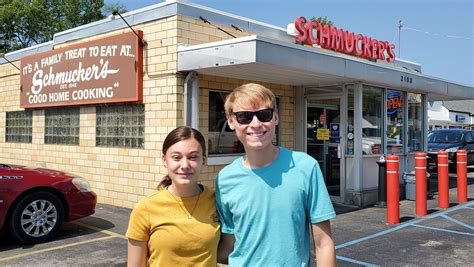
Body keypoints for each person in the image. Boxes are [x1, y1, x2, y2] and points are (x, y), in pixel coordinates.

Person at [216, 83, 336, 266]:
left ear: (276, 117)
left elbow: (324, 244)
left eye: (264, 115)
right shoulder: (225, 179)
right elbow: (228, 244)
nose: (255, 124)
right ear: (231, 122)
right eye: (244, 117)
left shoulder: (305, 167)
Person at [126, 126, 220, 267]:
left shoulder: (217, 201)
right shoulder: (145, 209)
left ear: (204, 160)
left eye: (193, 157)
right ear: (165, 160)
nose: (185, 165)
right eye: (176, 157)